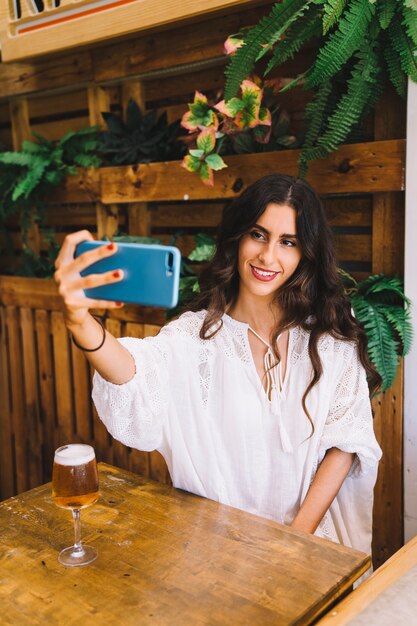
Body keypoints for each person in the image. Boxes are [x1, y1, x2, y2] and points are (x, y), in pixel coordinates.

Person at [54, 174, 382, 556]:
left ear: (306, 253)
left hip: (309, 544)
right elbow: (136, 375)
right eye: (258, 235)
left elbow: (344, 443)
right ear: (237, 237)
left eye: (288, 242)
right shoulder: (195, 337)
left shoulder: (329, 337)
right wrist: (81, 323)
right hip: (216, 551)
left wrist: (294, 541)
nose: (268, 256)